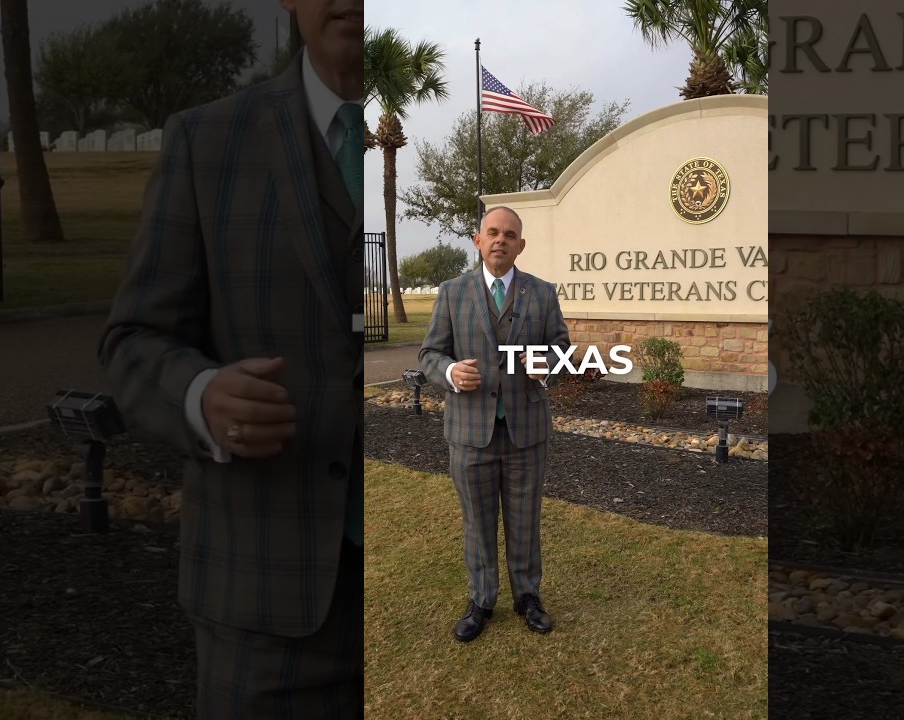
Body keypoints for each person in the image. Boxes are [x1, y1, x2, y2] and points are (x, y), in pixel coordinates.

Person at [96, 1, 363, 716]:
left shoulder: (458, 143)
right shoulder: (207, 143)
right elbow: (134, 340)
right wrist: (201, 396)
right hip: (264, 606)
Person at [419, 206, 571, 642]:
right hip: (470, 434)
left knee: (525, 520)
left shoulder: (542, 294)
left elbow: (561, 347)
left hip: (527, 432)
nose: (501, 239)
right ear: (478, 240)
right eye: (493, 232)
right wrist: (449, 373)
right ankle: (482, 598)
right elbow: (430, 354)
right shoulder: (452, 292)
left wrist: (549, 363)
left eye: (510, 234)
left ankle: (528, 596)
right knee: (478, 522)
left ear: (521, 245)